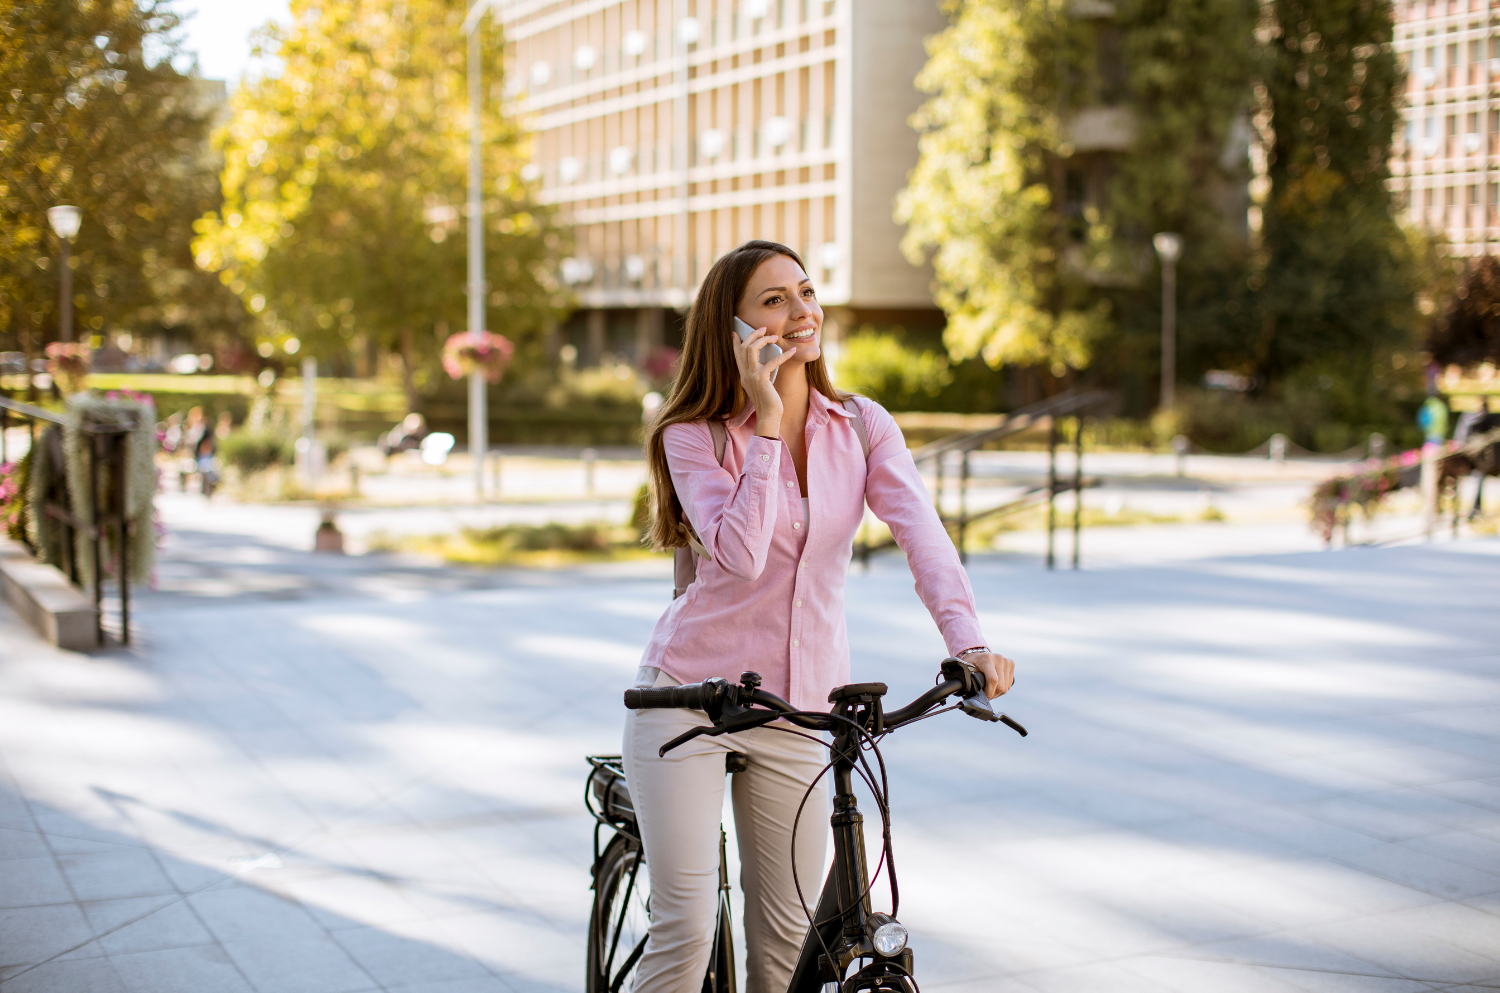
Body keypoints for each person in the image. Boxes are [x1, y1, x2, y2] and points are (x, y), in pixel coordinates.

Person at [626, 240, 1015, 993]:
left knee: (785, 952)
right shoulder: (694, 434)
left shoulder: (862, 425)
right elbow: (738, 554)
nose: (801, 311)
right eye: (774, 300)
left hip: (800, 710)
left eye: (804, 292)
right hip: (687, 702)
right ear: (733, 329)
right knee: (684, 934)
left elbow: (923, 537)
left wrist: (969, 643)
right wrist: (766, 420)